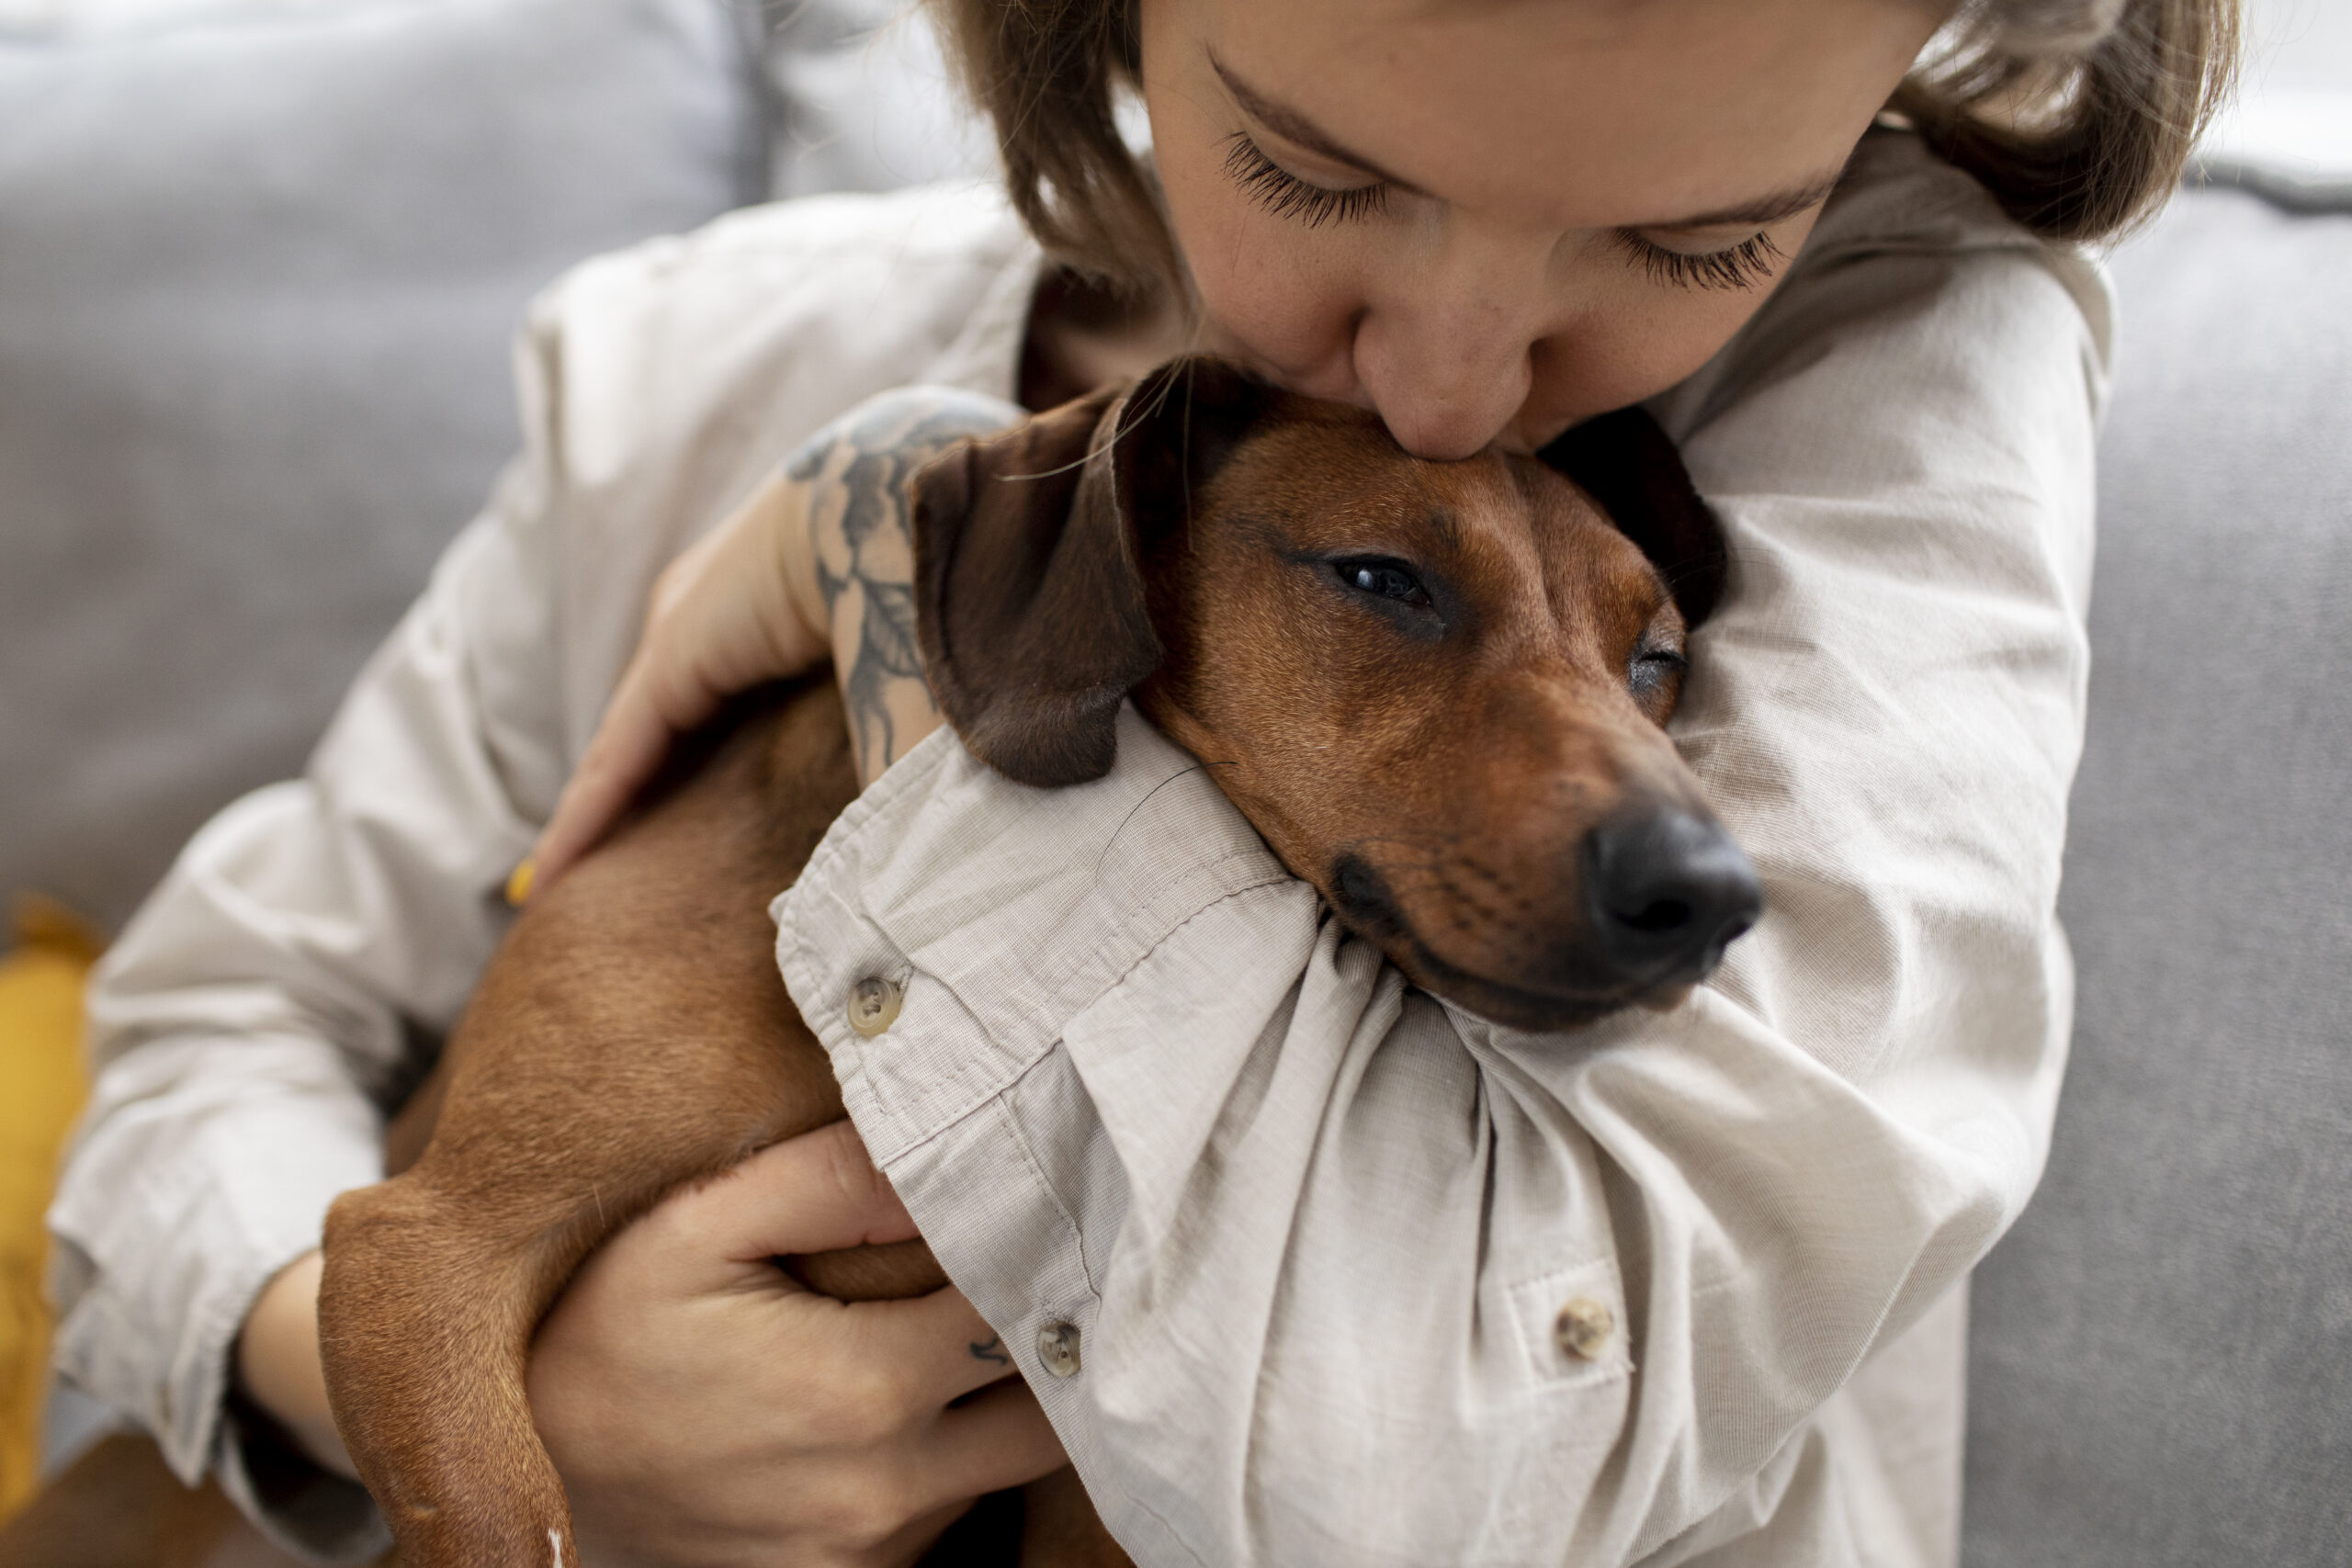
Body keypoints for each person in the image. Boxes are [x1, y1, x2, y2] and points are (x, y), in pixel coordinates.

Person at [50, 0, 2237, 1562]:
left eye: (1692, 241)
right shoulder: (669, 369)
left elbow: (1437, 1475)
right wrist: (442, 1399)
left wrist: (891, 540)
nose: (1457, 382)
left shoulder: (1894, 391)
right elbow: (225, 1018)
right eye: (1316, 169)